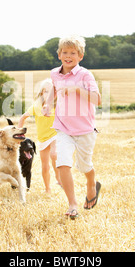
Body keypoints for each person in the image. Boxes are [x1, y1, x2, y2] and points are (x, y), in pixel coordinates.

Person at [43, 35, 102, 219]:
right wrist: (47, 103)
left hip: (85, 129)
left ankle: (92, 183)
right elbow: (54, 88)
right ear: (59, 54)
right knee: (62, 163)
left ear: (80, 56)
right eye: (65, 52)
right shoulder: (55, 73)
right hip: (63, 127)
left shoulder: (85, 75)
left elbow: (98, 100)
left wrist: (76, 89)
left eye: (73, 53)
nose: (68, 56)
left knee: (84, 166)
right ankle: (72, 204)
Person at [18, 78, 61, 193]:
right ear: (41, 93)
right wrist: (19, 134)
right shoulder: (37, 106)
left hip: (55, 134)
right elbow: (23, 117)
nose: (48, 94)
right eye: (45, 91)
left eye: (51, 91)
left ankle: (58, 177)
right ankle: (47, 189)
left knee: (54, 154)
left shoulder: (59, 105)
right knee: (45, 166)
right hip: (42, 138)